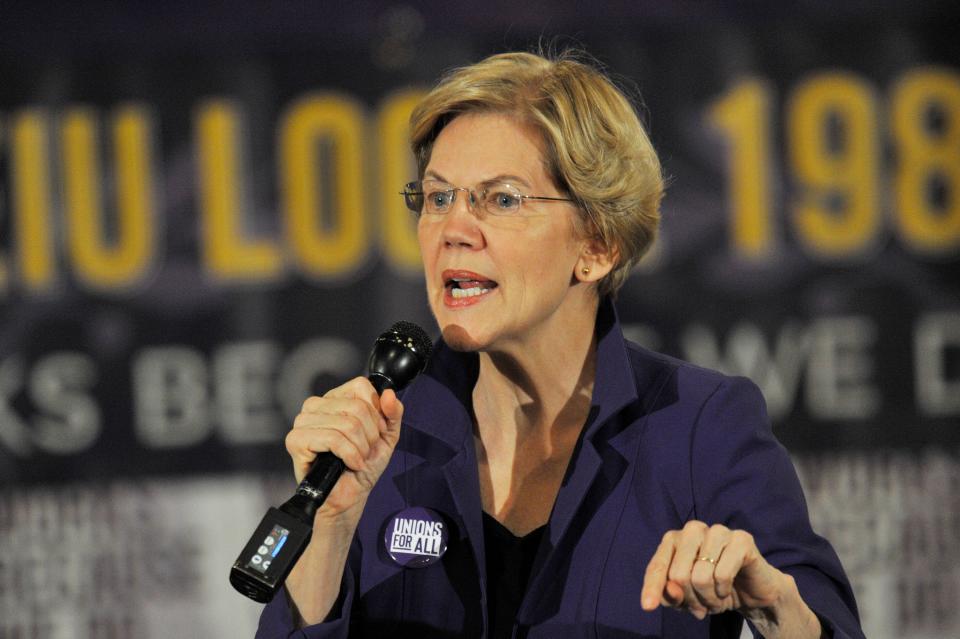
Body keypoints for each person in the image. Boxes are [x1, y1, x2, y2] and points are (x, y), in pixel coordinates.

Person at [257, 50, 864, 638]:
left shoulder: (701, 428)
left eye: (501, 199)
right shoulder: (378, 441)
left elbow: (825, 624)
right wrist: (330, 527)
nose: (453, 230)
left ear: (597, 245)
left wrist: (775, 606)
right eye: (438, 197)